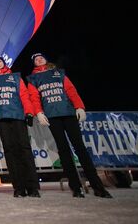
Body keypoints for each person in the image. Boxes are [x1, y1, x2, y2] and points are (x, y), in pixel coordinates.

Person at [26, 52, 112, 199]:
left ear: (46, 59)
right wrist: (38, 112)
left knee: (80, 148)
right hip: (52, 116)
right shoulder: (33, 79)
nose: (39, 60)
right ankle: (75, 187)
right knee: (64, 150)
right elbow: (34, 98)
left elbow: (71, 90)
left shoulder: (58, 73)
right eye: (36, 59)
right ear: (34, 63)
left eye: (41, 57)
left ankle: (97, 186)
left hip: (68, 113)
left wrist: (79, 106)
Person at [0, 55, 40, 198]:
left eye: (0, 62)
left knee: (24, 149)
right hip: (1, 118)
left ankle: (32, 186)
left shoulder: (15, 78)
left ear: (4, 64)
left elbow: (24, 95)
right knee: (9, 151)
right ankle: (18, 187)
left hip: (17, 116)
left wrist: (29, 112)